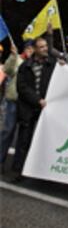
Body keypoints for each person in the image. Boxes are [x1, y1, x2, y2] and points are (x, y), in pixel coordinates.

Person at [11, 36, 56, 181]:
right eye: (41, 47)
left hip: (46, 109)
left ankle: (42, 173)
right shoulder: (25, 66)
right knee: (24, 140)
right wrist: (37, 100)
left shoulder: (52, 64)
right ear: (35, 49)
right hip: (29, 108)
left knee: (46, 140)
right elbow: (22, 88)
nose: (45, 49)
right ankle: (19, 171)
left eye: (45, 46)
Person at [0, 41, 33, 172]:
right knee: (8, 131)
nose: (30, 51)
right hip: (13, 100)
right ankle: (0, 160)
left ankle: (17, 165)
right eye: (28, 48)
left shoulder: (36, 63)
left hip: (27, 103)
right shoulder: (17, 59)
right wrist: (13, 56)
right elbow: (7, 70)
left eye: (32, 48)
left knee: (23, 135)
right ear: (25, 49)